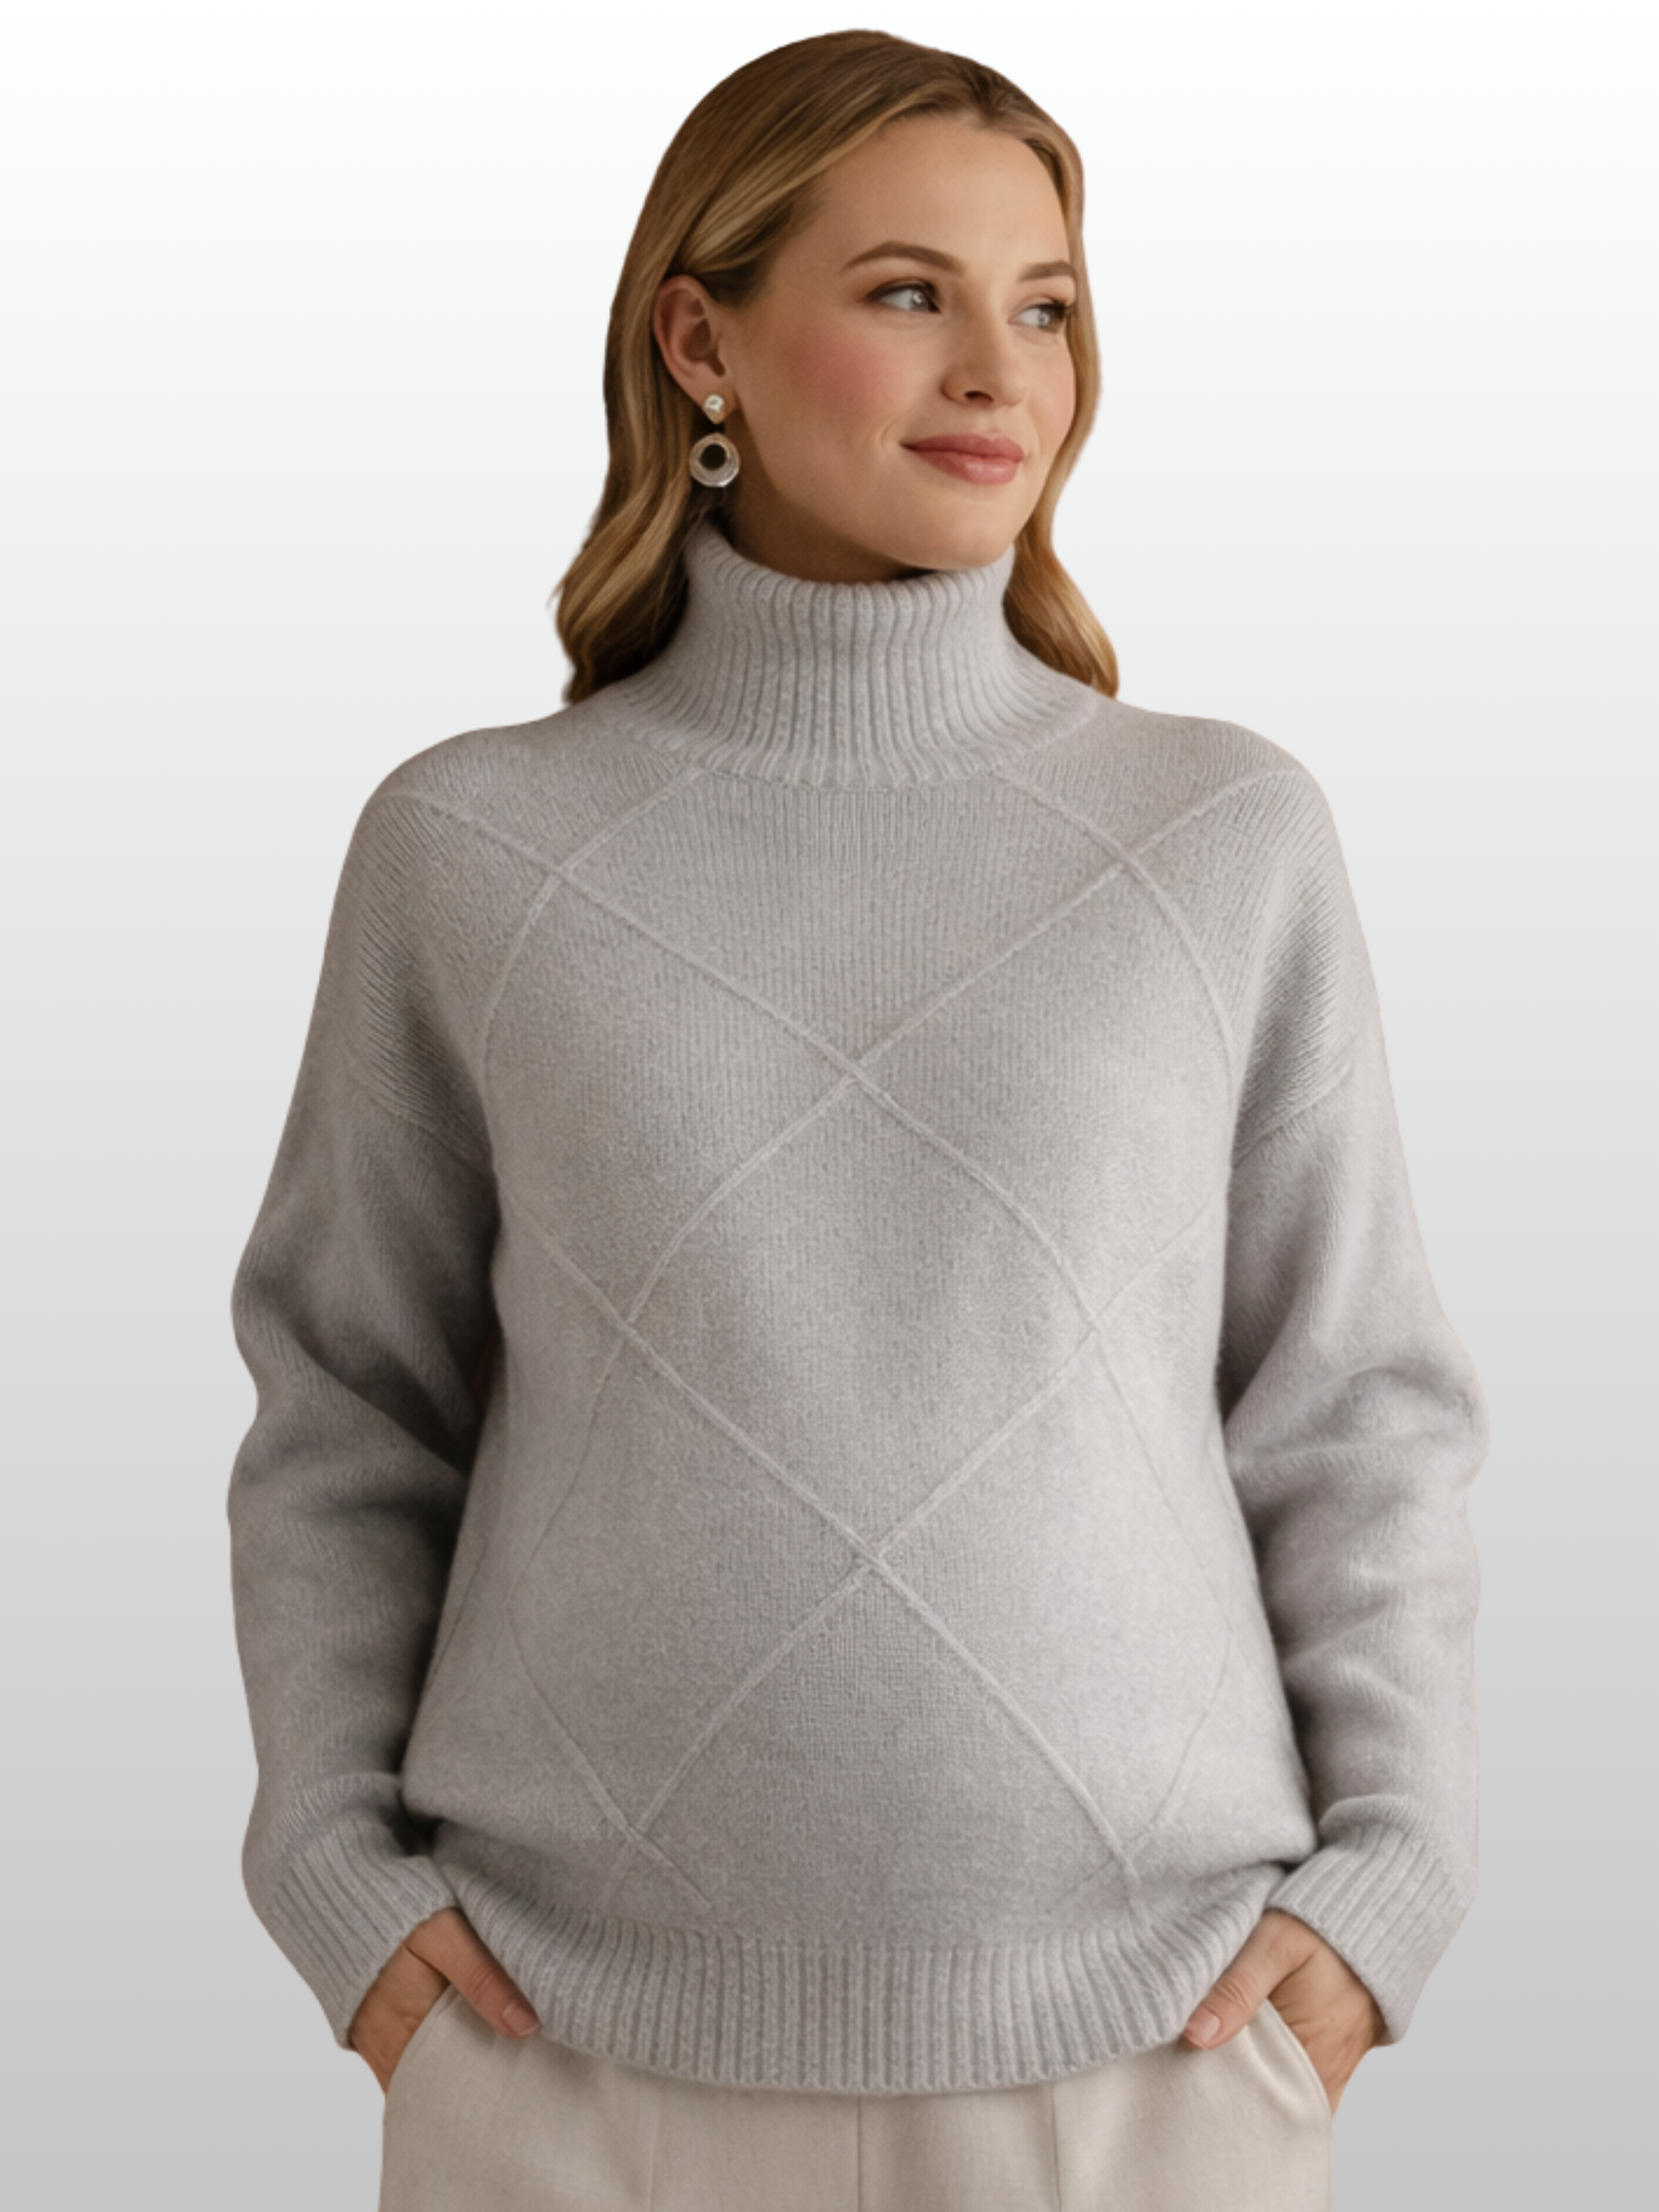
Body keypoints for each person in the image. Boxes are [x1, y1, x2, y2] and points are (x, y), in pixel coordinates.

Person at [226, 28, 1487, 2212]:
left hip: (1162, 2052)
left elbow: (1353, 1404)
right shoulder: (475, 850)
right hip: (558, 2054)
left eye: (1047, 304)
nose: (1002, 371)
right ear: (697, 340)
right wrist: (339, 1882)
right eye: (910, 292)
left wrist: (1389, 1892)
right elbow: (349, 1406)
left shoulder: (1218, 837)